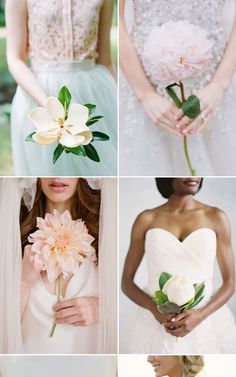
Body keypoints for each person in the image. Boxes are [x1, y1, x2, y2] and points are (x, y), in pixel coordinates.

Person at [0, 177, 117, 354]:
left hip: (86, 370)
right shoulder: (12, 238)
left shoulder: (106, 239)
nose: (57, 177)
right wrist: (23, 283)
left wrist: (104, 308)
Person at [119, 0, 236, 175]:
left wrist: (219, 85)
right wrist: (145, 94)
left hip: (215, 85)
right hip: (143, 84)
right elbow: (115, 20)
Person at [121, 177, 236, 353]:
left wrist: (200, 315)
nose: (192, 176)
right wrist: (155, 310)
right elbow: (126, 282)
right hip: (155, 320)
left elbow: (230, 282)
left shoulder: (216, 217)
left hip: (206, 320)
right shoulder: (147, 219)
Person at [5, 0, 117, 176]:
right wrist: (49, 107)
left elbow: (105, 60)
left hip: (93, 93)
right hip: (37, 95)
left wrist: (118, 103)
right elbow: (15, 59)